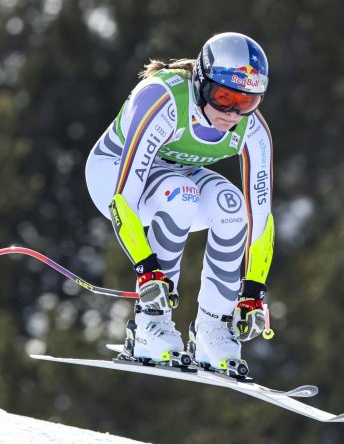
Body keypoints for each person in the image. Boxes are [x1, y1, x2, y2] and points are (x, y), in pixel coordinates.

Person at [85, 32, 274, 376]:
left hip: (177, 175)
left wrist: (252, 291)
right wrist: (147, 269)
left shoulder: (253, 131)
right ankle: (150, 325)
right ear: (202, 83)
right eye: (224, 97)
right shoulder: (162, 98)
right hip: (112, 174)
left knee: (232, 206)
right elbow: (123, 199)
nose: (233, 112)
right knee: (181, 193)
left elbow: (261, 216)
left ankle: (212, 329)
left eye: (246, 102)